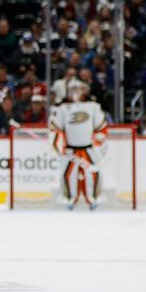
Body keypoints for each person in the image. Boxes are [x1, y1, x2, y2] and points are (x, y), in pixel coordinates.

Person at [49, 79, 107, 210]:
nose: (75, 92)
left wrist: (100, 140)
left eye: (77, 89)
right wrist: (55, 142)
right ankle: (70, 199)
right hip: (70, 149)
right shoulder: (62, 108)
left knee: (92, 174)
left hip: (88, 148)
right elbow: (56, 127)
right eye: (72, 89)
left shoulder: (93, 106)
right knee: (69, 174)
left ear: (83, 90)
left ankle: (92, 198)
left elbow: (101, 126)